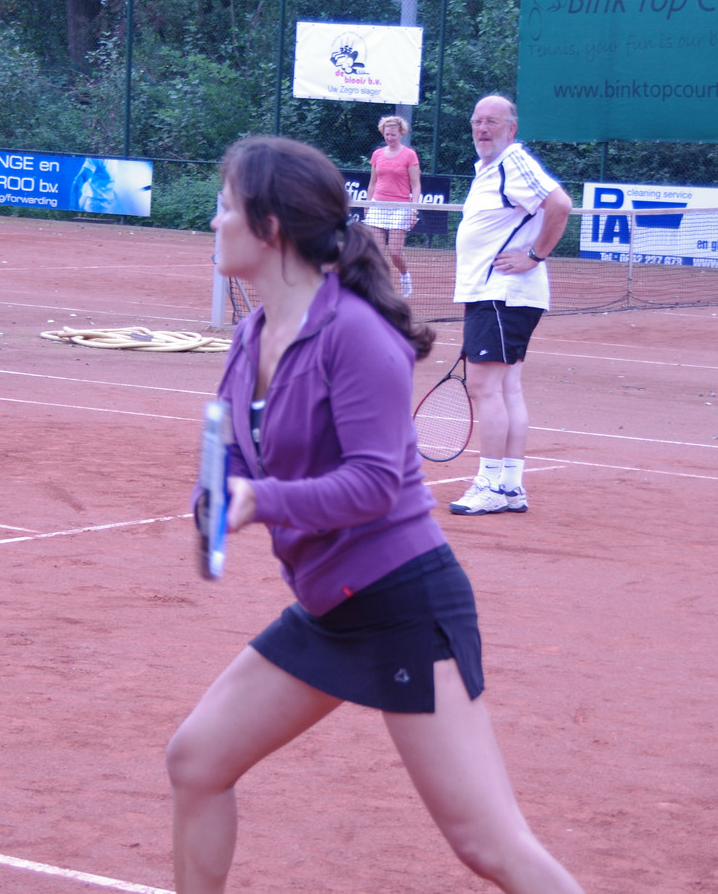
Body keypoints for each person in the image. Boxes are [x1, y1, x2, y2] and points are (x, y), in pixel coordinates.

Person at [167, 136, 586, 894]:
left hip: (403, 604)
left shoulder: (356, 334)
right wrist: (218, 496)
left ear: (269, 227)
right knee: (196, 760)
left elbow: (371, 485)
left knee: (488, 844)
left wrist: (260, 501)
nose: (214, 221)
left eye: (225, 206)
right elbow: (235, 447)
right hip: (332, 607)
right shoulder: (251, 334)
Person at [448, 94, 572, 516]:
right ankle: (510, 486)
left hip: (501, 295)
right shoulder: (489, 169)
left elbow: (560, 205)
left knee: (485, 388)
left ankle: (489, 485)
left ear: (511, 129)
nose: (482, 129)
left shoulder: (513, 162)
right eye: (477, 121)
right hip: (497, 295)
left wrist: (535, 256)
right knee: (505, 389)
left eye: (492, 122)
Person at [363, 114, 421, 298]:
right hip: (377, 205)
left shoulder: (410, 155)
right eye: (387, 134)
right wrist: (367, 204)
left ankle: (405, 276)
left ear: (401, 133)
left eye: (393, 134)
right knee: (377, 253)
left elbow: (416, 185)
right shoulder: (377, 154)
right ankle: (380, 289)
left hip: (400, 207)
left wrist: (413, 211)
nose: (389, 137)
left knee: (395, 252)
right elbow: (372, 183)